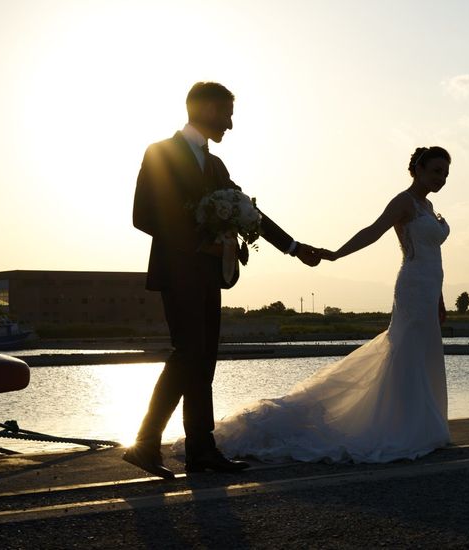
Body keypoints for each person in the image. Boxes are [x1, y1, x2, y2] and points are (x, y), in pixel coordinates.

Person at [180, 146, 452, 463]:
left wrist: (440, 297)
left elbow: (436, 255)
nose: (441, 178)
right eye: (436, 171)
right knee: (405, 351)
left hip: (430, 288)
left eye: (445, 173)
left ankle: (420, 424)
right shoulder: (403, 202)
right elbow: (373, 231)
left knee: (423, 352)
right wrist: (336, 253)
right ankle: (403, 427)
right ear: (418, 169)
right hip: (412, 287)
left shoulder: (428, 205)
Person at [126, 82, 322, 479]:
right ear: (207, 109)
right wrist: (202, 244)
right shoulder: (160, 152)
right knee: (187, 353)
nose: (230, 125)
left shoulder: (215, 166)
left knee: (204, 361)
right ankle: (146, 443)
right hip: (178, 272)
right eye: (227, 114)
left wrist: (294, 247)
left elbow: (250, 214)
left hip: (208, 277)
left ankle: (202, 450)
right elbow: (143, 216)